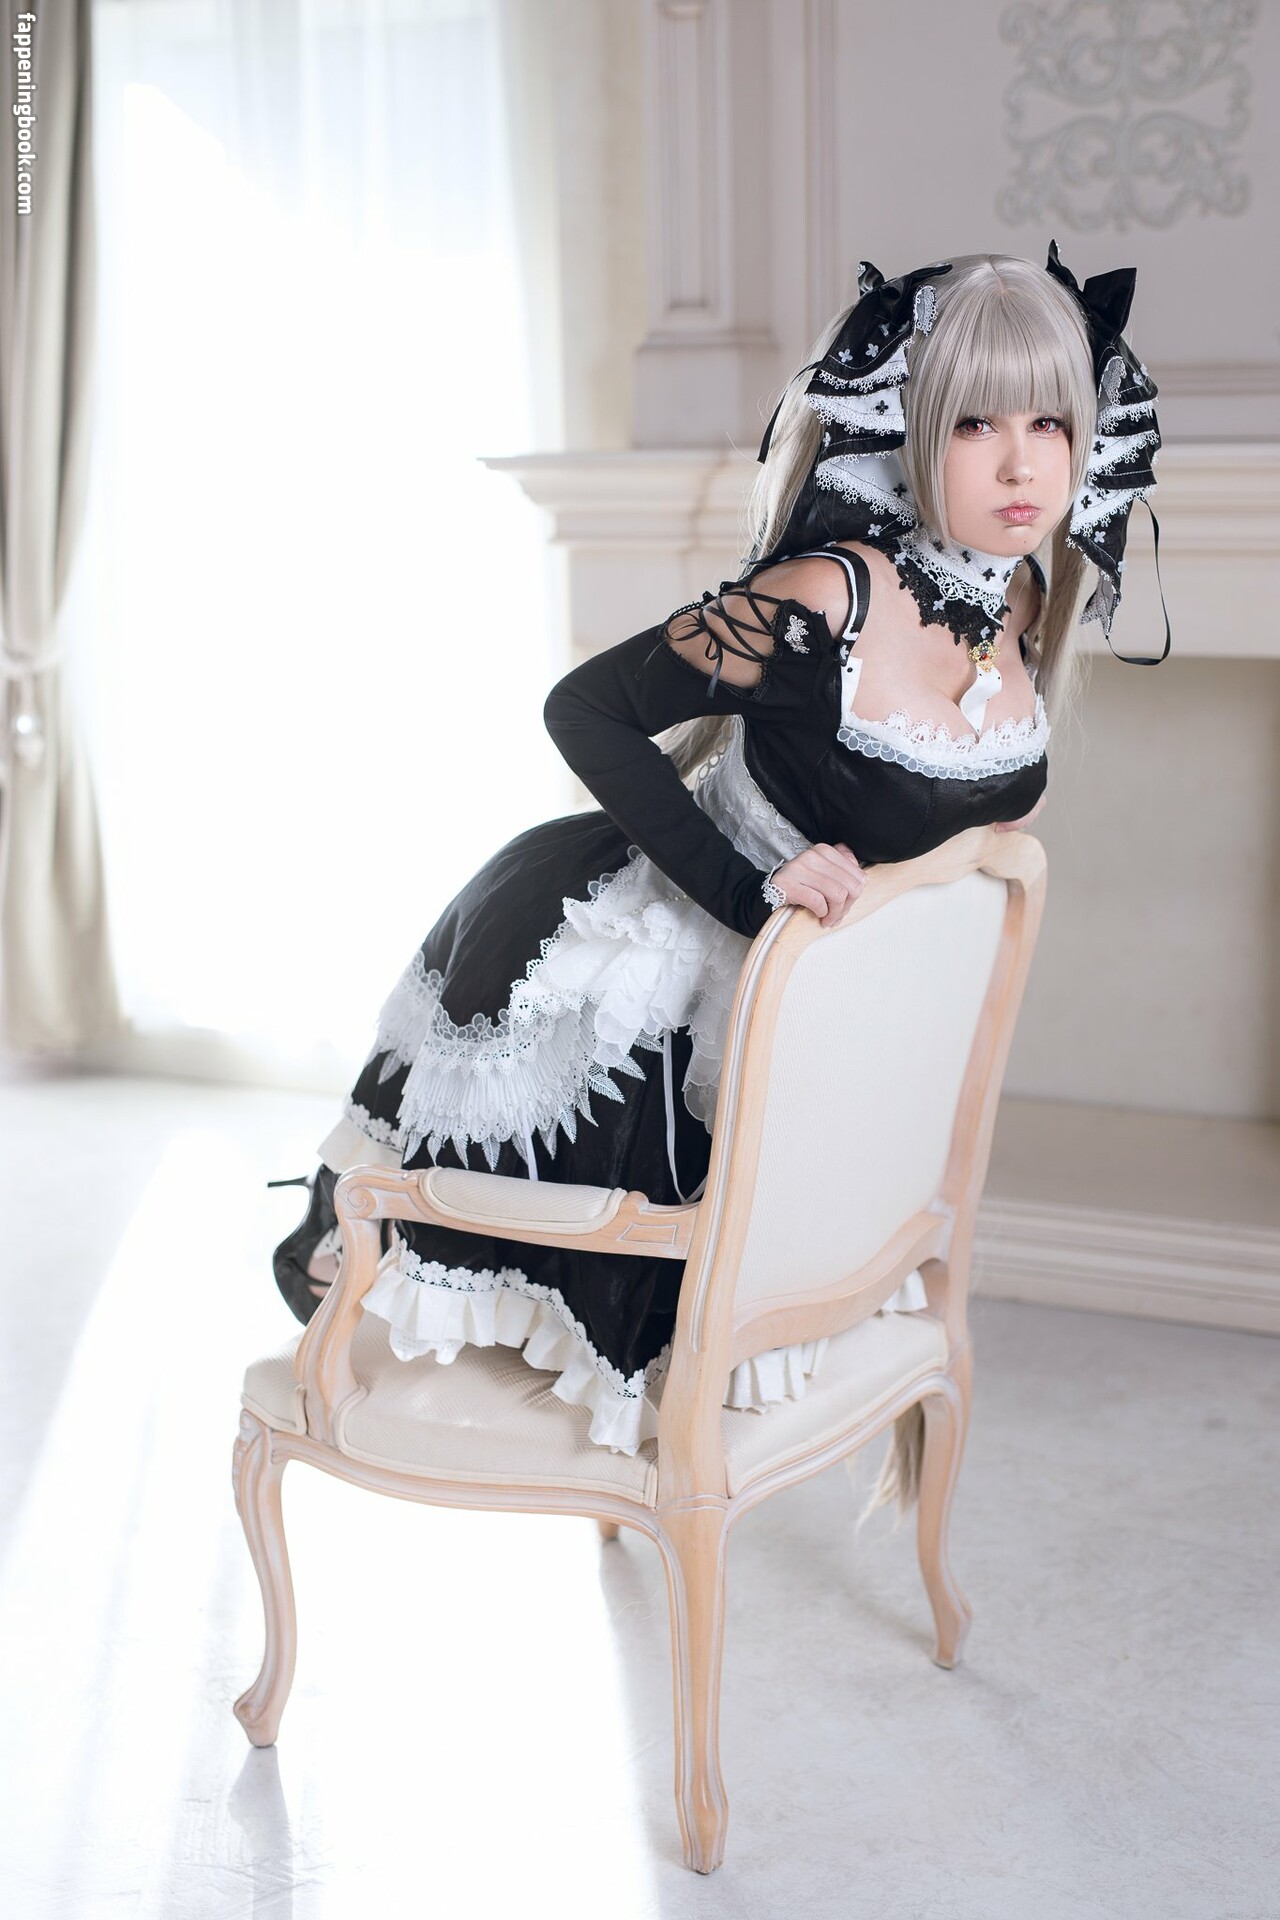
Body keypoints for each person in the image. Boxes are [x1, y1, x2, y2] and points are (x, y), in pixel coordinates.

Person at [269, 242, 1167, 1465]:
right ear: (905, 426)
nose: (1022, 466)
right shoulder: (821, 602)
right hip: (661, 975)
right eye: (974, 423)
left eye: (1049, 422)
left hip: (822, 1013)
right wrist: (751, 888)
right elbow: (584, 709)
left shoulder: (1009, 596)